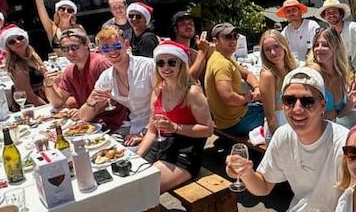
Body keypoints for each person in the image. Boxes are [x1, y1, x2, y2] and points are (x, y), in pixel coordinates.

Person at [233, 68, 349, 212]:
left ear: (323, 105)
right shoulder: (283, 136)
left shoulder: (344, 144)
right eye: (289, 101)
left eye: (307, 101)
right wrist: (246, 173)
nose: (297, 109)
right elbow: (264, 186)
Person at [139, 42, 213, 189]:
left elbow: (208, 130)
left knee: (146, 188)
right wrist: (138, 154)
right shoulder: (158, 90)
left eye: (171, 62)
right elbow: (152, 130)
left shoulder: (192, 93)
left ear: (181, 64)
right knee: (129, 181)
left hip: (185, 151)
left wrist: (174, 127)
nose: (166, 67)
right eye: (161, 63)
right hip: (160, 146)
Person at [47, 27, 128, 132]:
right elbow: (57, 102)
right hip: (89, 123)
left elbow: (113, 98)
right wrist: (48, 85)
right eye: (65, 49)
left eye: (74, 47)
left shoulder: (100, 63)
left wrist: (83, 112)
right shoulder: (70, 71)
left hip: (115, 124)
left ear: (86, 44)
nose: (70, 53)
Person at [79, 26, 154, 136]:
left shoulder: (148, 66)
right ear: (100, 52)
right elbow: (84, 117)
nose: (112, 51)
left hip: (157, 128)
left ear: (126, 44)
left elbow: (165, 104)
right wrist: (91, 101)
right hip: (134, 127)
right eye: (106, 49)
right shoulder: (106, 77)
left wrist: (144, 132)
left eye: (117, 46)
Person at [204, 22, 265, 136]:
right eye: (227, 37)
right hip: (235, 122)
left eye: (235, 37)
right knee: (276, 114)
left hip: (229, 118)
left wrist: (256, 87)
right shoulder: (221, 63)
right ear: (215, 41)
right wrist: (249, 98)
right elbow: (229, 98)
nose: (233, 41)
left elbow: (247, 74)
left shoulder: (224, 58)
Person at [309, 25, 356, 128]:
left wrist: (350, 104)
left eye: (325, 45)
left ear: (336, 47)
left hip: (335, 131)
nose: (319, 49)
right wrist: (332, 114)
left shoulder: (340, 73)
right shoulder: (314, 72)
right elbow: (309, 115)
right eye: (316, 45)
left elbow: (338, 114)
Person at [257, 29, 299, 139]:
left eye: (276, 46)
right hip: (278, 129)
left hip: (295, 127)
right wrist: (278, 140)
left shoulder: (292, 68)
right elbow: (270, 115)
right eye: (267, 49)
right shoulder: (268, 76)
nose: (273, 53)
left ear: (284, 45)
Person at [0, 25, 48, 108]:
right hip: (33, 105)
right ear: (8, 47)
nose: (18, 42)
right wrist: (48, 107)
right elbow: (28, 95)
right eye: (12, 42)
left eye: (20, 38)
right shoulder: (16, 65)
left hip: (45, 95)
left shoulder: (33, 56)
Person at [319, 0, 356, 73]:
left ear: (341, 13)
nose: (331, 15)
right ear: (324, 16)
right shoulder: (328, 34)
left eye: (334, 11)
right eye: (328, 13)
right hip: (343, 77)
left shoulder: (352, 28)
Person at [168, 10, 210, 81]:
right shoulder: (170, 52)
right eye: (183, 24)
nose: (188, 26)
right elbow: (185, 81)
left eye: (191, 23)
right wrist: (202, 52)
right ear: (175, 29)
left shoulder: (195, 54)